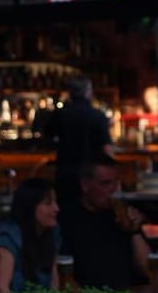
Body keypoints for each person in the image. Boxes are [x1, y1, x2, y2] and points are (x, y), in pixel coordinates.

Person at [60, 156, 158, 293]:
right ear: (85, 185)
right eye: (106, 183)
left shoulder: (121, 214)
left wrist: (134, 231)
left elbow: (145, 269)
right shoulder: (68, 219)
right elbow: (64, 275)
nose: (114, 190)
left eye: (117, 183)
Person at [0, 176, 60, 293]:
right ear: (30, 206)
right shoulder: (6, 237)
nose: (56, 208)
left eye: (55, 202)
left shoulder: (50, 232)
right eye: (48, 203)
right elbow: (0, 289)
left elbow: (53, 283)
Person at [46, 76, 111, 209]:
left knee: (65, 212)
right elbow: (106, 149)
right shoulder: (97, 116)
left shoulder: (60, 114)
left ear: (70, 92)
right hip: (91, 174)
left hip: (65, 173)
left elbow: (46, 136)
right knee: (90, 213)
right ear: (88, 92)